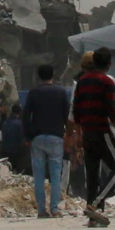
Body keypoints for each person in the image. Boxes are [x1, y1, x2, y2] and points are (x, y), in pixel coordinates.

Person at [71, 48, 115, 227]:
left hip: (87, 132)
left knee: (93, 174)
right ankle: (95, 206)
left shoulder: (81, 81)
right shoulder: (107, 82)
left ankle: (92, 217)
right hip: (103, 132)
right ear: (109, 64)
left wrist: (78, 135)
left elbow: (76, 110)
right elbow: (112, 111)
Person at [22, 65, 71, 217]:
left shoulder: (33, 93)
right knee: (56, 174)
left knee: (39, 175)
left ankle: (41, 210)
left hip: (37, 138)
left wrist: (28, 137)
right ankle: (55, 208)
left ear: (38, 76)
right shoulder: (61, 92)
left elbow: (25, 117)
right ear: (53, 75)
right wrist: (68, 136)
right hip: (56, 137)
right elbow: (67, 117)